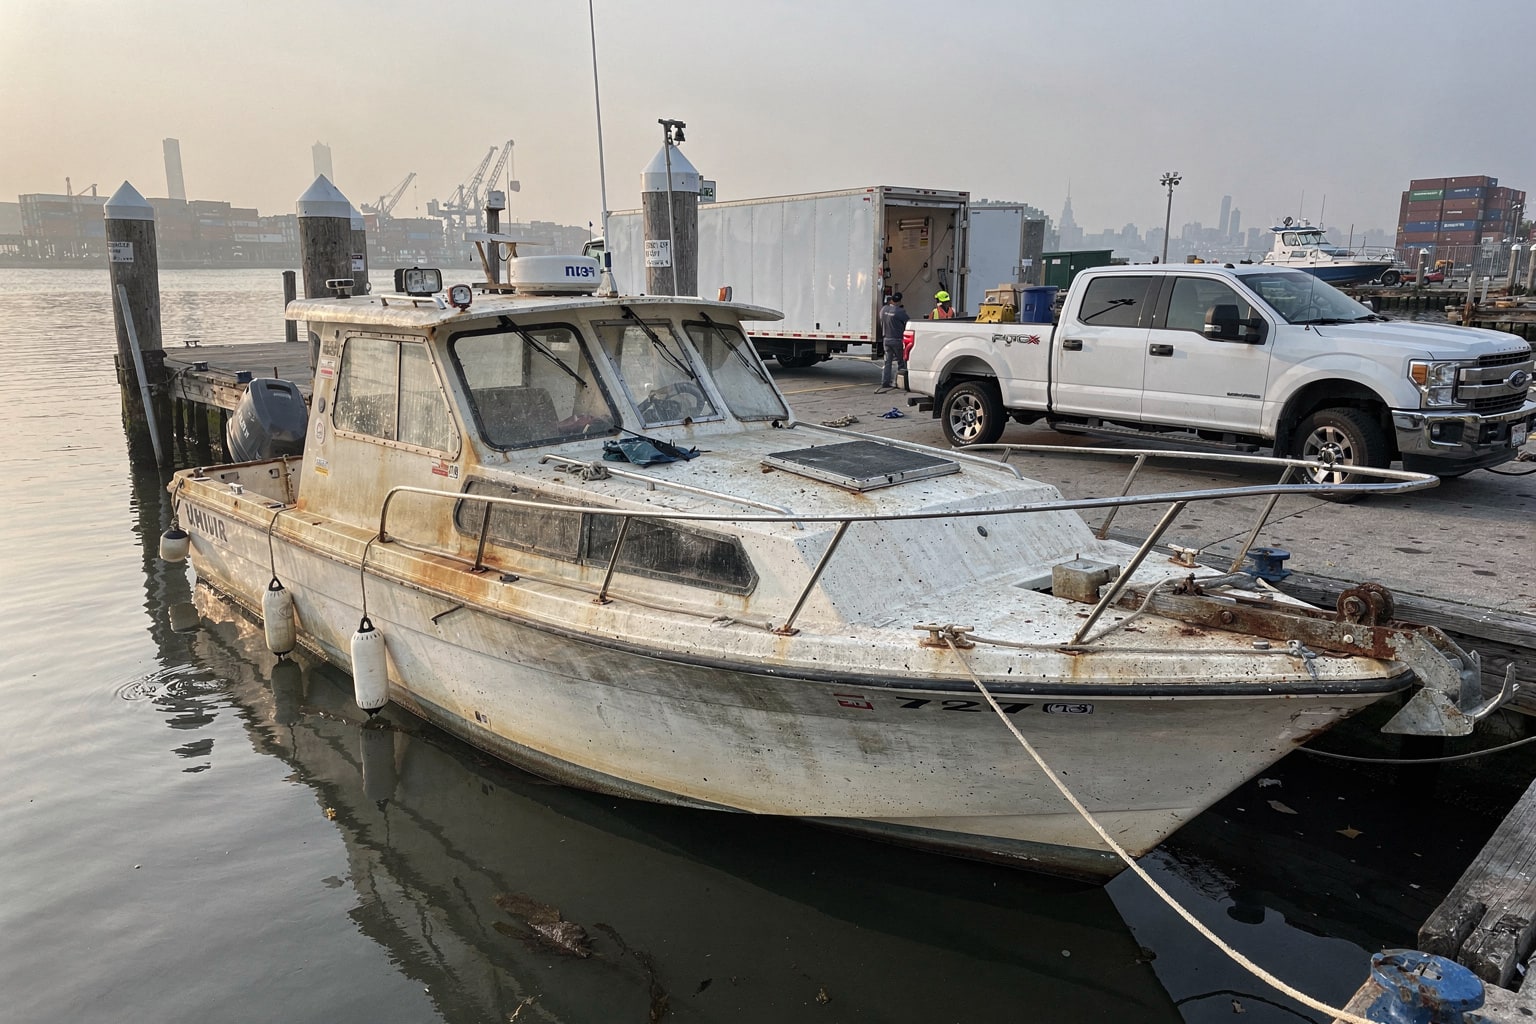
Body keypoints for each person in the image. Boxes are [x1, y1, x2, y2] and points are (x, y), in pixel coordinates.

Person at [876, 291, 909, 393]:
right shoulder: (900, 312)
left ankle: (885, 382)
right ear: (899, 301)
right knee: (901, 363)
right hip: (897, 340)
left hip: (886, 339)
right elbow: (908, 322)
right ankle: (899, 383)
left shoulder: (883, 310)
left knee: (887, 362)